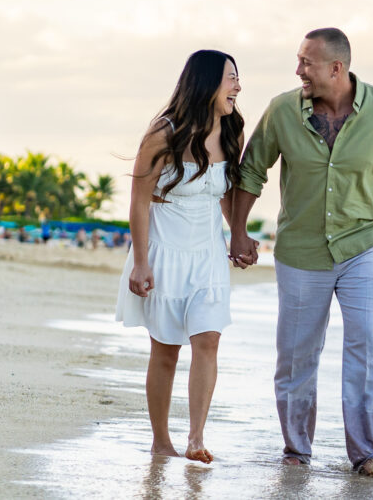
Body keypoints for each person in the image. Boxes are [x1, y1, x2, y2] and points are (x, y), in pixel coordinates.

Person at [228, 27, 373, 478]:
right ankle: (296, 450)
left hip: (364, 245)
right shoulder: (282, 110)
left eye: (306, 62)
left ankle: (367, 453)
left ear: (336, 67)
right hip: (301, 249)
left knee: (366, 342)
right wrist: (238, 232)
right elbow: (251, 171)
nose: (298, 70)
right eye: (298, 61)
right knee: (296, 353)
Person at [115, 49, 244, 463]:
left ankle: (196, 438)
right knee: (166, 350)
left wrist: (238, 235)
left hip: (208, 255)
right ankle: (161, 440)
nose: (238, 87)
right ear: (206, 83)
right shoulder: (163, 133)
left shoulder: (231, 132)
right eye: (231, 78)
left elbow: (223, 195)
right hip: (165, 254)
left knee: (208, 341)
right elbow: (138, 203)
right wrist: (140, 262)